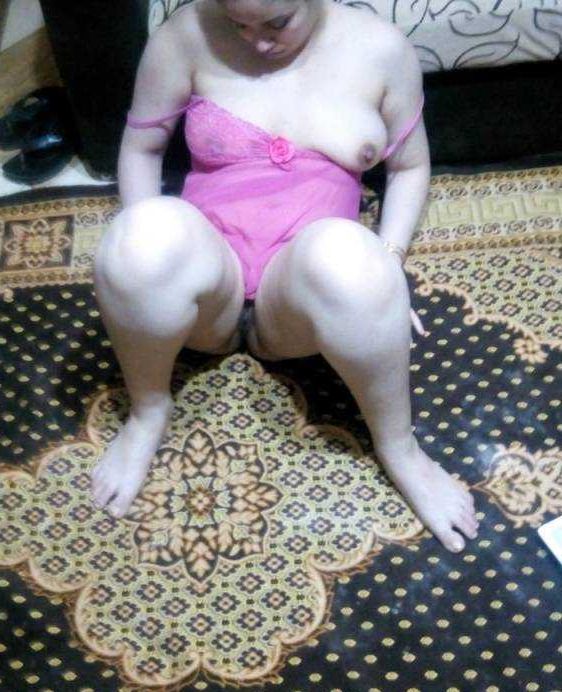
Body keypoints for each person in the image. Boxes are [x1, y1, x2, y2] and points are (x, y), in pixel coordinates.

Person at [91, 0, 479, 553]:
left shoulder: (381, 49)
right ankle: (148, 410)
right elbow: (142, 148)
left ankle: (399, 447)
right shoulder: (183, 34)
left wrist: (387, 267)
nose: (258, 43)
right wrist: (141, 257)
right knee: (137, 237)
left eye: (277, 23)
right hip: (210, 286)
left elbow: (409, 167)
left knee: (353, 258)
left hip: (297, 301)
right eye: (238, 25)